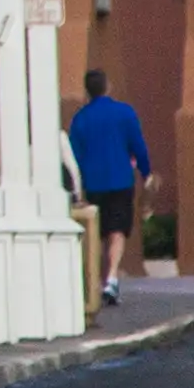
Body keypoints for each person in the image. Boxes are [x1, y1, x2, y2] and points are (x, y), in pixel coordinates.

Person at [67, 68, 151, 284]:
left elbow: (74, 156)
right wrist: (146, 171)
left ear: (87, 91)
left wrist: (77, 188)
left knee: (100, 232)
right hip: (121, 179)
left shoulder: (80, 119)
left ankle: (100, 278)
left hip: (93, 184)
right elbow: (137, 145)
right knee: (117, 231)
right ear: (108, 86)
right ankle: (112, 276)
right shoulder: (124, 113)